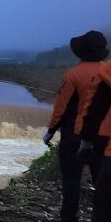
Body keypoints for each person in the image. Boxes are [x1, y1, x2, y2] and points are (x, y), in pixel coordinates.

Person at [43, 30, 109, 222]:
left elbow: (60, 109)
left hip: (75, 135)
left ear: (80, 52)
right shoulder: (107, 71)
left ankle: (69, 217)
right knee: (102, 185)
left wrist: (50, 131)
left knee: (71, 182)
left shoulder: (72, 75)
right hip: (103, 137)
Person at [77, 60, 111, 222]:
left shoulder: (107, 70)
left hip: (106, 145)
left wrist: (86, 142)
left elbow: (96, 108)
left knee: (104, 204)